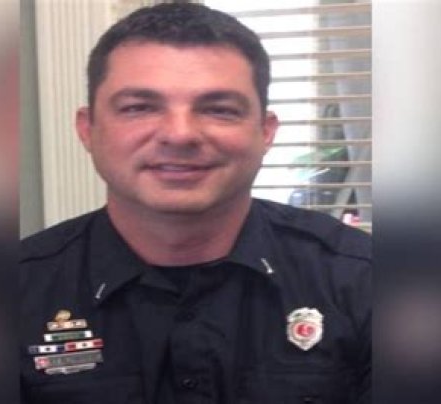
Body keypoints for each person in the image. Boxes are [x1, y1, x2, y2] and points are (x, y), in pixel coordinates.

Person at [20, 3, 371, 403]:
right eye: (139, 108)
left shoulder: (362, 281)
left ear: (265, 131)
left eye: (219, 110)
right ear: (88, 129)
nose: (180, 134)